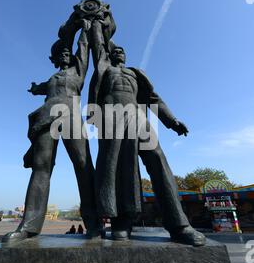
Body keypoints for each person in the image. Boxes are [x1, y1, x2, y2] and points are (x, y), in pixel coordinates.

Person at [88, 19, 205, 246]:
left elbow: (153, 99)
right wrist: (98, 24)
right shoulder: (105, 70)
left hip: (138, 118)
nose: (120, 52)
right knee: (117, 168)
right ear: (111, 55)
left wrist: (172, 121)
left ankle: (180, 225)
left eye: (123, 51)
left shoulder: (135, 73)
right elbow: (99, 46)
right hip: (111, 119)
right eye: (116, 51)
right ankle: (122, 222)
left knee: (158, 160)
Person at [2, 20, 101, 243]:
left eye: (68, 52)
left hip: (72, 117)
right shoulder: (52, 80)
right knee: (41, 167)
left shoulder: (78, 72)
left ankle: (94, 223)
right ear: (56, 59)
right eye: (62, 53)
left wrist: (84, 29)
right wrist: (36, 87)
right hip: (47, 118)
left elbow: (83, 50)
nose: (66, 54)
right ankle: (29, 226)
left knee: (84, 166)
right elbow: (38, 88)